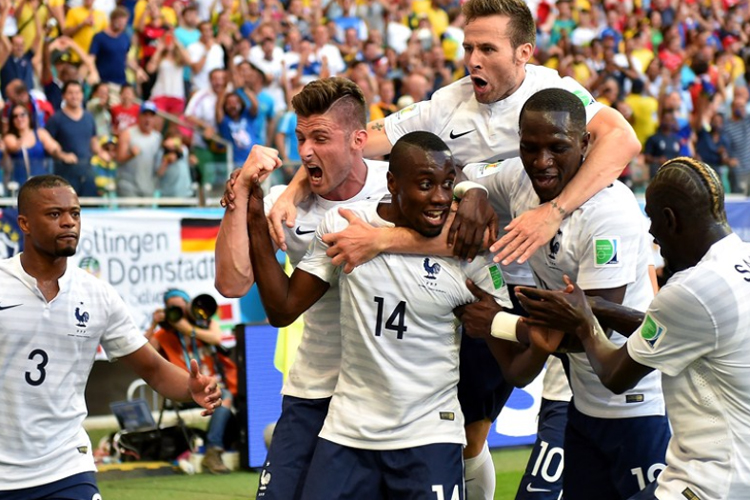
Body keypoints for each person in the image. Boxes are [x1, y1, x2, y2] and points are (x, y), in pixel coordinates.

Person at [268, 1, 640, 497]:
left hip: (536, 278)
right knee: (465, 430)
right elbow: (353, 140)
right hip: (468, 276)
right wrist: (296, 184)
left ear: (524, 52)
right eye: (468, 47)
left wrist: (552, 211)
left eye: (488, 48)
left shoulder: (554, 92)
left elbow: (623, 140)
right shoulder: (449, 103)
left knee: (512, 407)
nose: (473, 59)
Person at [246, 131, 513, 500]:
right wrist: (254, 216)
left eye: (447, 185)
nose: (439, 197)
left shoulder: (468, 250)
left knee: (476, 439)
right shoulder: (345, 227)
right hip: (347, 434)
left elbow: (512, 358)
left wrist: (512, 326)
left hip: (428, 437)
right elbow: (283, 309)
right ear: (391, 183)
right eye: (424, 185)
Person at [456, 88, 670, 500]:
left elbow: (589, 328)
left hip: (636, 401)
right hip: (579, 400)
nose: (542, 162)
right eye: (529, 147)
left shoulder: (609, 212)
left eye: (558, 147)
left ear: (586, 144)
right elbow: (467, 173)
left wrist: (499, 322)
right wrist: (474, 196)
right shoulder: (517, 179)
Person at [515, 157, 750, 500]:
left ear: (670, 220)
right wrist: (599, 306)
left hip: (708, 484)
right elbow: (680, 333)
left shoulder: (689, 290)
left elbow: (615, 375)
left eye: (653, 220)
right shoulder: (738, 262)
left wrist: (583, 323)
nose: (652, 235)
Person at [214, 77, 390, 500]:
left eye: (320, 138)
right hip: (313, 388)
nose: (306, 150)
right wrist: (241, 193)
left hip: (388, 391)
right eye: (300, 138)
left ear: (358, 141)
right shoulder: (284, 205)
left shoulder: (398, 184)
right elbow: (232, 282)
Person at [0, 175, 221, 498]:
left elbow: (154, 369)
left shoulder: (98, 295)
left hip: (67, 467)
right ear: (24, 223)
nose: (68, 223)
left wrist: (190, 387)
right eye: (54, 214)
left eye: (75, 214)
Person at [145, 288, 237, 475]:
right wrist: (154, 324)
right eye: (173, 309)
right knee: (224, 396)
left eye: (182, 307)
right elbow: (143, 351)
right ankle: (213, 450)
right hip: (182, 390)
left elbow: (216, 337)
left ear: (189, 305)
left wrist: (186, 328)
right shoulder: (164, 335)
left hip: (211, 388)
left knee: (225, 396)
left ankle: (213, 451)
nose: (179, 313)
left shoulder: (204, 324)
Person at [45, 80, 100, 197]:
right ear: (64, 96)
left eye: (77, 92)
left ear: (82, 95)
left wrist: (103, 153)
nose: (74, 96)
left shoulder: (89, 117)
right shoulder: (56, 119)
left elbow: (94, 143)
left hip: (87, 172)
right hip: (65, 174)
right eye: (70, 93)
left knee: (91, 207)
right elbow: (47, 144)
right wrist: (62, 155)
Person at [3, 103, 77, 186]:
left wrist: (63, 155)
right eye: (15, 116)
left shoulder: (40, 133)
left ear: (29, 116)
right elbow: (13, 147)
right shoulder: (10, 137)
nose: (19, 118)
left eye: (22, 114)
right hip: (19, 183)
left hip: (41, 181)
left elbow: (54, 148)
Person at [116, 100, 162, 197]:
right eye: (145, 115)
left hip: (148, 187)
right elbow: (119, 158)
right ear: (139, 116)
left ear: (155, 118)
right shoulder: (127, 133)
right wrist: (130, 155)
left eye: (151, 116)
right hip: (128, 186)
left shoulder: (157, 138)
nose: (148, 119)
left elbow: (158, 165)